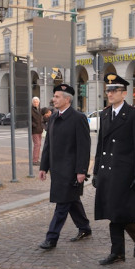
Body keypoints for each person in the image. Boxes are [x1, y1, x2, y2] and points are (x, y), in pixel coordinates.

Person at [92, 74, 135, 265]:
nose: (110, 93)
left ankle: (132, 240)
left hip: (124, 172)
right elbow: (101, 144)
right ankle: (121, 249)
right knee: (111, 212)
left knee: (118, 211)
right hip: (108, 171)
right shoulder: (105, 114)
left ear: (124, 93)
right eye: (108, 90)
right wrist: (96, 172)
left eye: (114, 90)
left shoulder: (134, 114)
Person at [38, 84, 93, 250]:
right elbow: (48, 144)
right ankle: (84, 228)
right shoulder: (53, 117)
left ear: (67, 99)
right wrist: (43, 167)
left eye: (57, 97)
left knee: (62, 205)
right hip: (57, 170)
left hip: (71, 171)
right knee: (72, 201)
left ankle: (51, 238)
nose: (53, 99)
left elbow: (84, 147)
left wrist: (81, 171)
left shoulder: (78, 118)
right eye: (54, 96)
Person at [31, 97, 43, 166]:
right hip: (35, 130)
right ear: (32, 103)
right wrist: (34, 125)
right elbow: (29, 120)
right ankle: (35, 160)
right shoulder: (31, 110)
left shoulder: (39, 109)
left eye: (37, 102)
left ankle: (37, 159)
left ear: (39, 103)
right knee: (37, 145)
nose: (36, 103)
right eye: (34, 102)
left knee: (39, 145)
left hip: (40, 130)